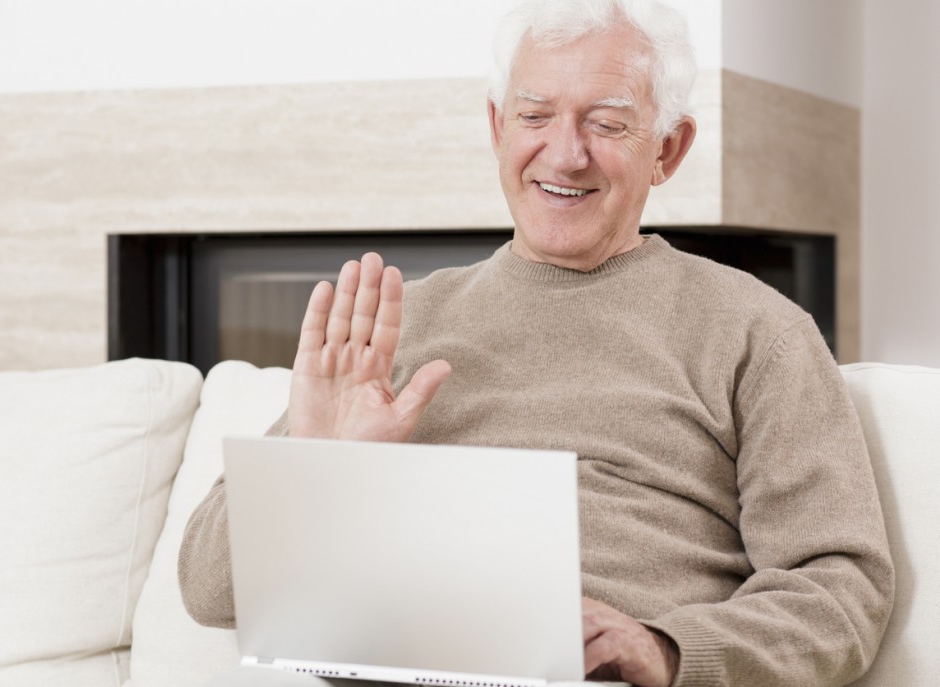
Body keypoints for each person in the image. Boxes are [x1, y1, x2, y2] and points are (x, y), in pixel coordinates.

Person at [179, 1, 894, 685]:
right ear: (497, 127)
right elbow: (207, 590)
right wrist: (314, 459)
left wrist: (670, 651)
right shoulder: (399, 323)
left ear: (667, 150)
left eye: (608, 123)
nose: (565, 153)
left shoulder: (753, 328)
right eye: (535, 115)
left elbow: (839, 588)